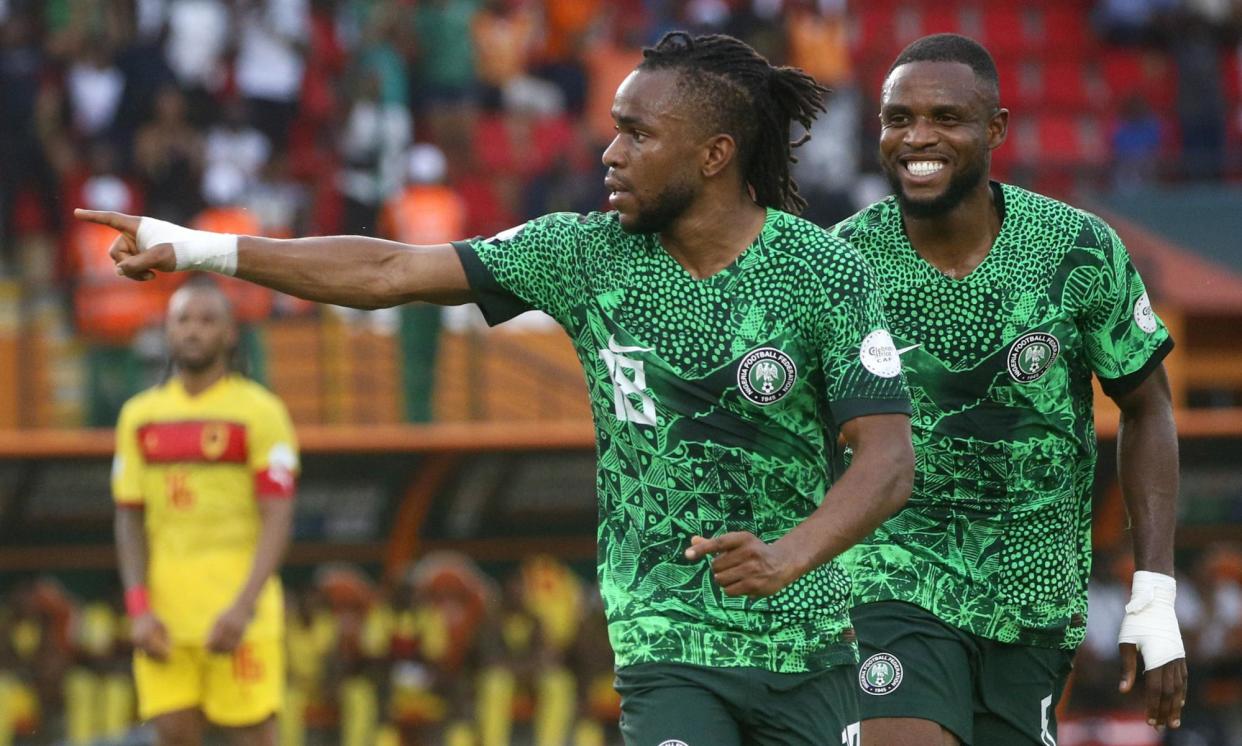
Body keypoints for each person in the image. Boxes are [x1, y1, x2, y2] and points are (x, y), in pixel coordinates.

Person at [81, 31, 915, 746]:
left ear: (714, 154)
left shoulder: (824, 272)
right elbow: (387, 268)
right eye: (612, 131)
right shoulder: (582, 253)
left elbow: (887, 462)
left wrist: (789, 555)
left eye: (635, 135)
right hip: (668, 637)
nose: (608, 153)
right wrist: (201, 247)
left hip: (811, 643)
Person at [830, 34, 1188, 746]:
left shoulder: (1076, 252)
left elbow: (1148, 408)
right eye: (898, 118)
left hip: (1033, 597)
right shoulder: (843, 265)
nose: (917, 138)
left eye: (944, 117)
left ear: (995, 128)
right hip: (890, 577)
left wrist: (1154, 594)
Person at [111, 280, 300, 745]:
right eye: (183, 320)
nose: (193, 330)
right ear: (168, 330)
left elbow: (278, 515)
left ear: (230, 334)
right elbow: (128, 516)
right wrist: (138, 608)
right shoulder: (139, 416)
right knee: (173, 734)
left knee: (252, 735)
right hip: (166, 617)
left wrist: (243, 607)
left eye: (207, 320)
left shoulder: (260, 411)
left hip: (238, 611)